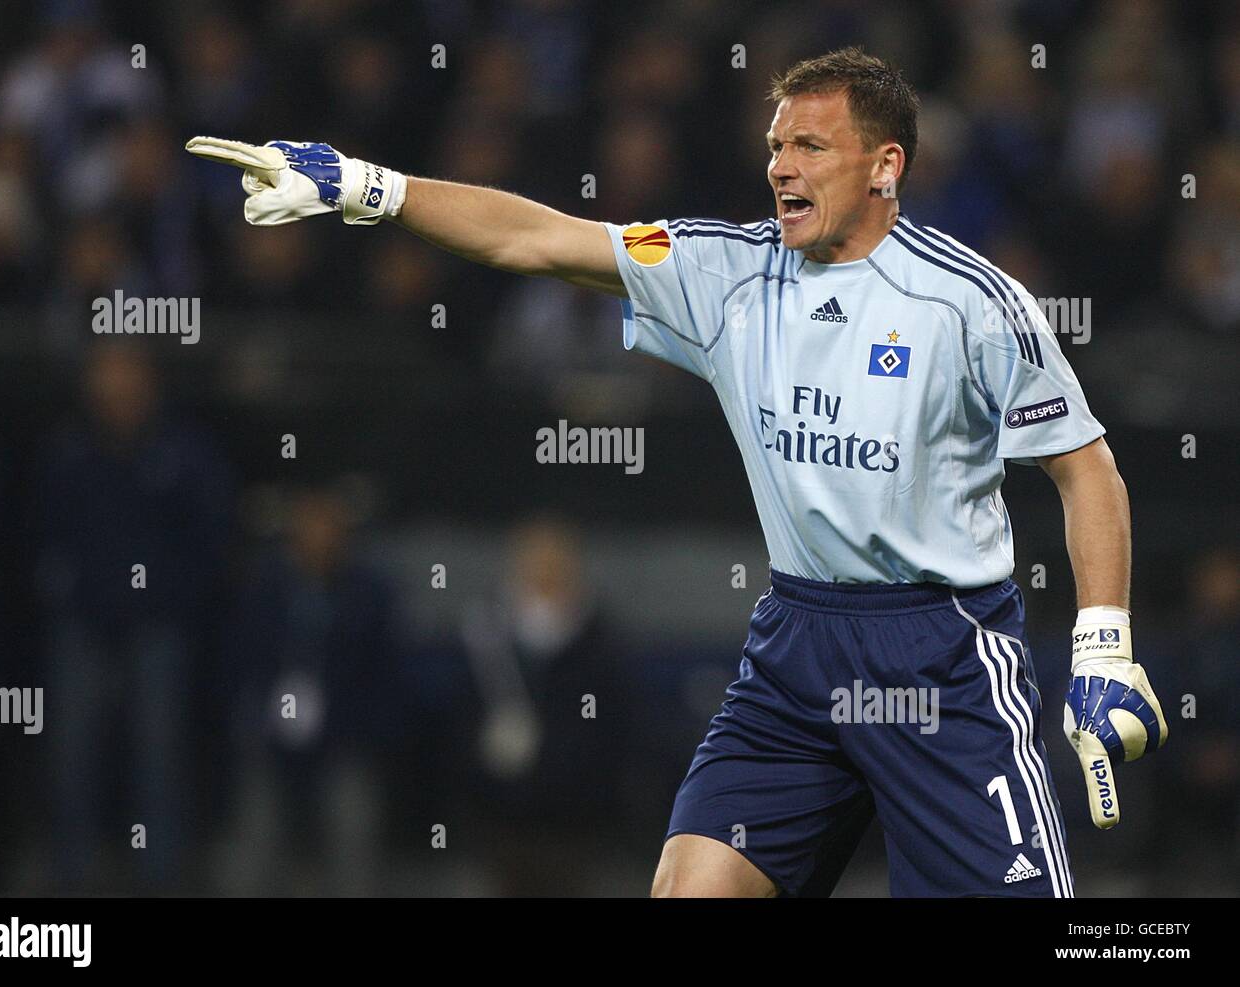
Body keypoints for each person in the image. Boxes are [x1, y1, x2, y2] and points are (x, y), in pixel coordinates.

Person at [186, 46, 1167, 898]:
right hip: (795, 647)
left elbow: (1086, 471)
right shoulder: (724, 272)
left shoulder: (973, 303)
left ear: (885, 166)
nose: (781, 165)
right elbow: (537, 237)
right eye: (776, 145)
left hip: (943, 653)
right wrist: (369, 188)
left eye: (809, 148)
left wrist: (1099, 649)